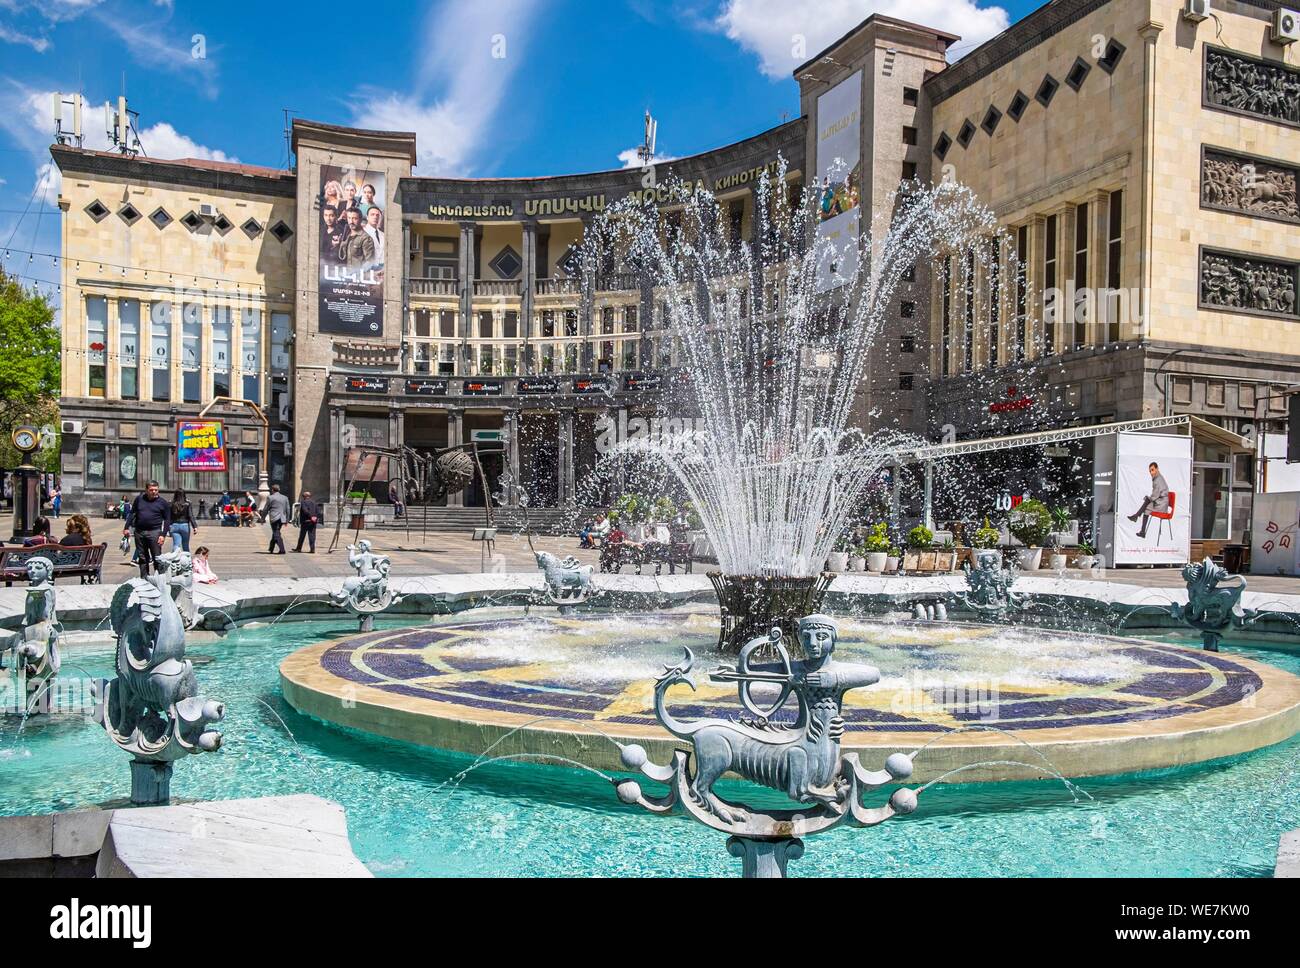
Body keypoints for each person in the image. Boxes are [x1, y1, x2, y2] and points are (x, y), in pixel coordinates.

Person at [123, 480, 170, 579]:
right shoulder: (139, 500)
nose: (154, 492)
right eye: (151, 490)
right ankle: (144, 579)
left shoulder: (163, 503)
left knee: (157, 557)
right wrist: (126, 527)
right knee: (142, 557)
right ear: (146, 490)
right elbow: (132, 513)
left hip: (155, 533)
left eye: (156, 490)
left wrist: (163, 535)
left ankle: (159, 579)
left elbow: (167, 519)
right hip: (140, 532)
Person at [1127, 461, 1171, 539]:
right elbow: (1155, 494)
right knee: (1147, 505)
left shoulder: (1158, 479)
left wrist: (1149, 499)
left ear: (1157, 469)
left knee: (1147, 504)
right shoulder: (1157, 477)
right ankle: (1142, 530)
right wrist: (1149, 498)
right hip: (1160, 501)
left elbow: (1155, 494)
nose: (1151, 472)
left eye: (1152, 470)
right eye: (1150, 471)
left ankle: (1136, 517)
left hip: (1162, 503)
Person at [262, 484, 291, 554]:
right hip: (282, 518)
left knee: (276, 533)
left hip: (274, 517)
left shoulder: (270, 497)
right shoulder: (285, 497)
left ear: (272, 490)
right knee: (276, 532)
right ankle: (271, 548)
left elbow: (266, 509)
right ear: (279, 490)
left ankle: (282, 549)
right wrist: (287, 519)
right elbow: (288, 509)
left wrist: (263, 518)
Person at [169, 488, 198, 552]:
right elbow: (190, 515)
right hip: (185, 526)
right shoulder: (187, 503)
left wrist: (169, 526)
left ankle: (175, 560)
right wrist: (194, 526)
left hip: (174, 525)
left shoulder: (171, 503)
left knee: (176, 545)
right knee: (185, 545)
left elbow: (169, 516)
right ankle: (187, 561)